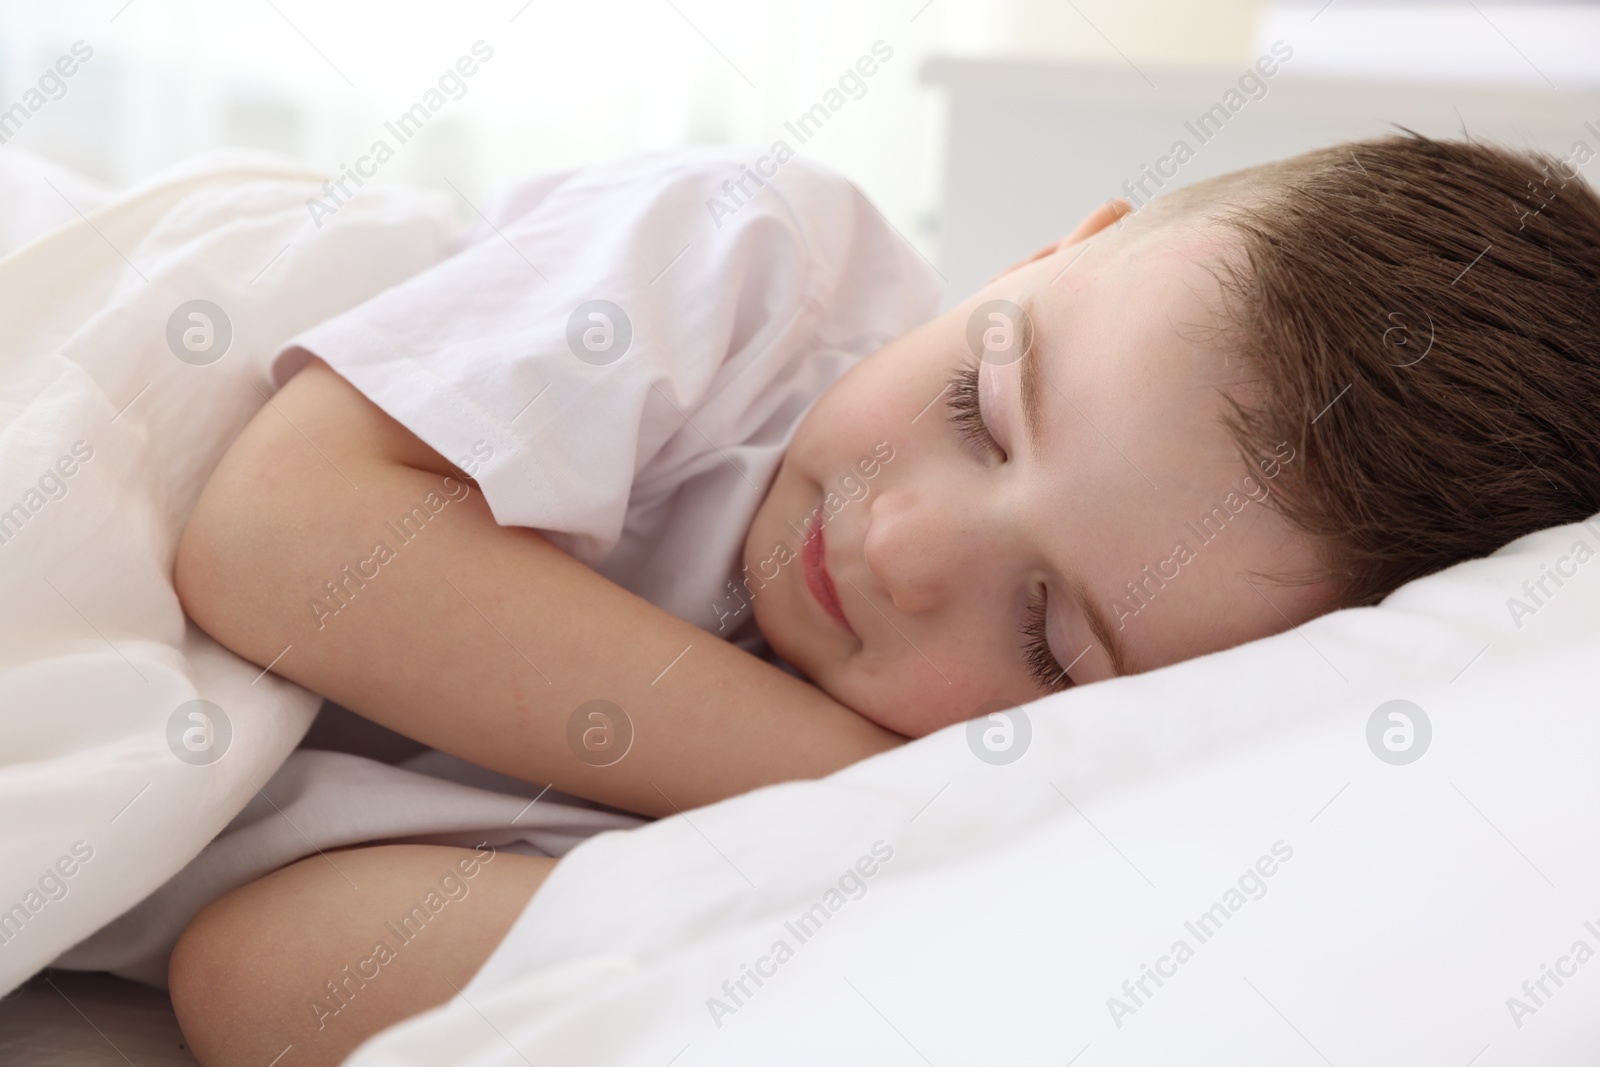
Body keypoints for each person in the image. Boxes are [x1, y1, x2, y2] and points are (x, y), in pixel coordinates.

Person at [166, 133, 1600, 1065]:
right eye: (984, 403)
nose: (906, 545)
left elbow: (254, 979)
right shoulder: (757, 265)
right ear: (1050, 253)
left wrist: (873, 833)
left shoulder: (859, 871)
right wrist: (886, 786)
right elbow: (279, 537)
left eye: (1050, 640)